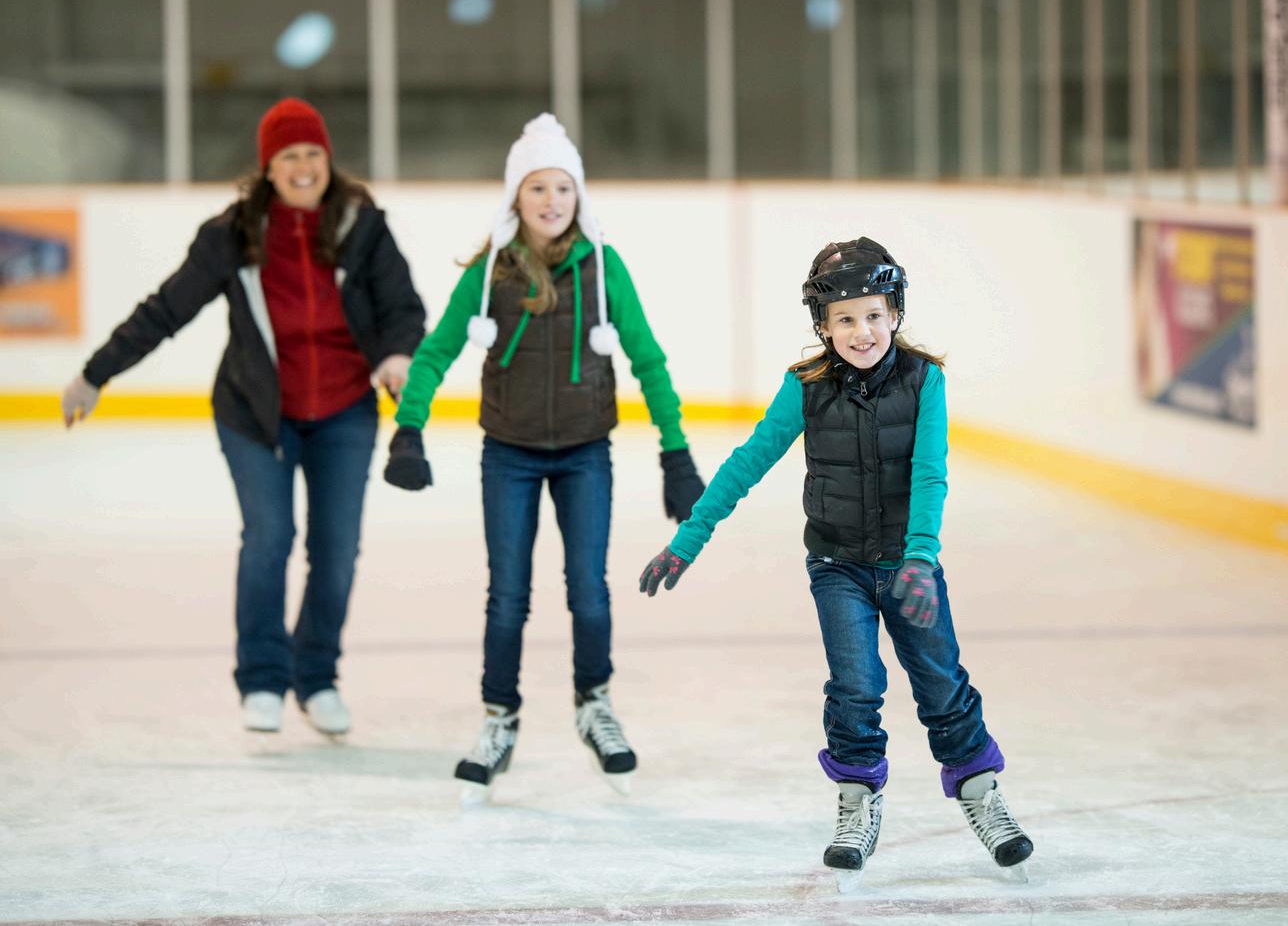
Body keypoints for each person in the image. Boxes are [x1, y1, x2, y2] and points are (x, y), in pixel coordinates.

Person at [638, 237, 1033, 888]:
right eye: (844, 318)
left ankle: (981, 794)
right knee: (855, 685)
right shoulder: (806, 388)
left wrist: (920, 557)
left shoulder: (924, 380)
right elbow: (747, 463)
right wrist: (690, 537)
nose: (862, 331)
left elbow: (930, 474)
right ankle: (856, 801)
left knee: (940, 682)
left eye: (874, 314)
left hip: (908, 564)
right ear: (822, 325)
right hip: (837, 565)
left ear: (895, 312)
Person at [60, 97, 426, 738]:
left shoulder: (362, 227)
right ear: (268, 167)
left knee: (336, 550)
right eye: (289, 156)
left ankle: (317, 679)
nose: (303, 167)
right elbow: (165, 310)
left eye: (312, 153)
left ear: (327, 159)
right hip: (256, 413)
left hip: (344, 410)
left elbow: (403, 306)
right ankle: (262, 678)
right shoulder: (232, 235)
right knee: (269, 537)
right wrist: (96, 373)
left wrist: (398, 354)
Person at [383, 113, 704, 797]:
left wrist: (675, 451)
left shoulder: (604, 266)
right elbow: (436, 351)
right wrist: (408, 428)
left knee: (589, 589)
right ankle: (498, 719)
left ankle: (595, 705)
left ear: (578, 194)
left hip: (585, 452)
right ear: (516, 197)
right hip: (509, 454)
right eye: (537, 187)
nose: (552, 200)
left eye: (563, 187)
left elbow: (647, 358)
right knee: (507, 596)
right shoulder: (491, 272)